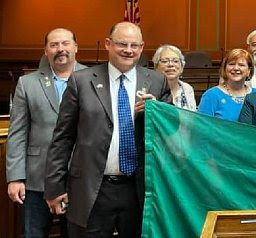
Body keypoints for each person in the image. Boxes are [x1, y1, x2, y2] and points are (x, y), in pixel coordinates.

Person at [43, 22, 171, 237]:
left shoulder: (157, 82)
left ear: (141, 48)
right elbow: (63, 138)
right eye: (122, 44)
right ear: (108, 44)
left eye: (134, 45)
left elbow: (170, 134)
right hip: (93, 188)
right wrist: (55, 187)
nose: (128, 50)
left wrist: (157, 111)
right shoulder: (81, 81)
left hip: (137, 189)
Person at [6, 28, 86, 238]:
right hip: (36, 178)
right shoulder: (28, 83)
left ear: (76, 47)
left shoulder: (93, 79)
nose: (61, 49)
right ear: (46, 51)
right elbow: (17, 133)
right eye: (54, 45)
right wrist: (15, 177)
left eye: (65, 43)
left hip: (80, 178)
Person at [198, 49, 256, 121]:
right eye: (231, 64)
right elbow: (202, 128)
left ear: (249, 71)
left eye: (241, 65)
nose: (236, 68)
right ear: (225, 68)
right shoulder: (211, 95)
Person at [152, 44, 196, 111]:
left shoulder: (188, 89)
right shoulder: (150, 89)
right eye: (165, 61)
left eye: (175, 61)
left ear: (181, 68)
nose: (171, 64)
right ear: (156, 67)